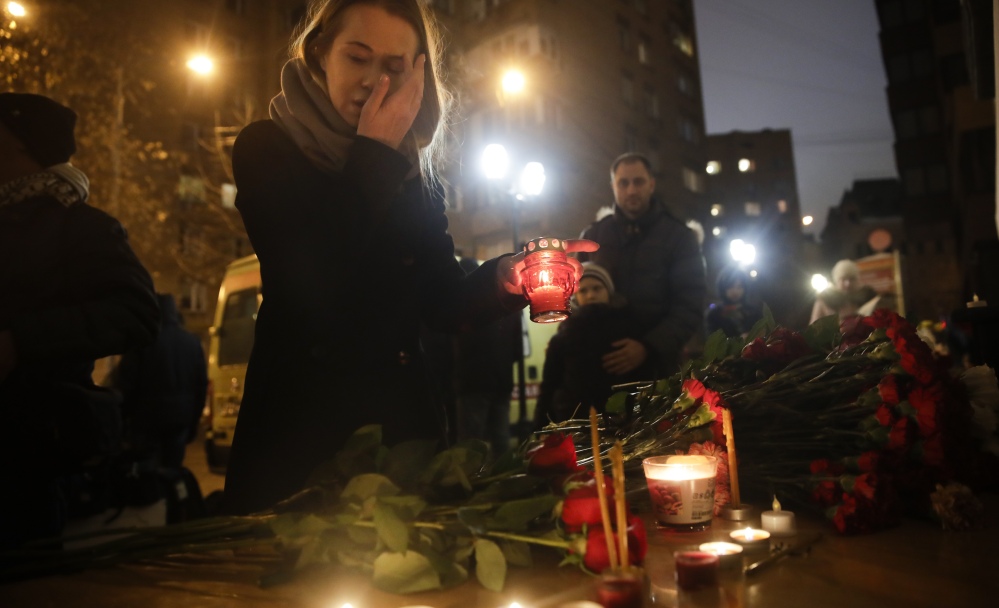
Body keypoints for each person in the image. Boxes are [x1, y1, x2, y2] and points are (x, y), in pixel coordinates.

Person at [220, 0, 595, 515]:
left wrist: (506, 279)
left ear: (418, 77)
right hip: (301, 440)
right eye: (357, 58)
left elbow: (441, 300)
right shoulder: (266, 147)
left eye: (394, 69)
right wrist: (375, 151)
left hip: (401, 441)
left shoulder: (410, 177)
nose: (374, 84)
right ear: (320, 52)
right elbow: (310, 276)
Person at [0, 93, 160, 547]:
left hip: (25, 455)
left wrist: (20, 342)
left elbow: (136, 313)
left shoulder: (79, 227)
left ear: (22, 146)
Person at [578, 152, 706, 379]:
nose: (631, 190)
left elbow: (690, 304)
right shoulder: (593, 236)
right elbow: (575, 299)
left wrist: (648, 347)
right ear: (613, 187)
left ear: (652, 184)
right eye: (623, 183)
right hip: (600, 370)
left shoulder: (679, 237)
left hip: (659, 370)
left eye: (638, 182)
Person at [535, 263, 654, 425]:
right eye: (583, 290)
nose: (591, 295)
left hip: (623, 422)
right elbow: (549, 386)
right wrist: (540, 429)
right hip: (576, 423)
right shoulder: (563, 336)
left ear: (609, 291)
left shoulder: (630, 330)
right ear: (574, 297)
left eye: (597, 288)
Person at [112, 293, 208, 469]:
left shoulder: (142, 342)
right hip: (180, 420)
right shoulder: (192, 343)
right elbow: (201, 386)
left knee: (149, 473)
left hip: (147, 421)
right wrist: (193, 422)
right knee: (173, 469)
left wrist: (124, 421)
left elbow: (126, 384)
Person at [452, 256, 521, 457]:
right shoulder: (506, 302)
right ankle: (503, 482)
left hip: (472, 382)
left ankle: (470, 485)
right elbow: (517, 348)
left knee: (470, 445)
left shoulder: (463, 304)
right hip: (502, 381)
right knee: (501, 439)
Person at [809, 259, 878, 325]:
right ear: (836, 280)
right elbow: (814, 327)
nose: (848, 284)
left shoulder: (868, 297)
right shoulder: (824, 301)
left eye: (852, 279)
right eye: (843, 279)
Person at [704, 266, 763, 339]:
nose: (735, 291)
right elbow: (712, 340)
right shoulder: (715, 314)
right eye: (730, 287)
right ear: (723, 288)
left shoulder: (754, 312)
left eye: (739, 287)